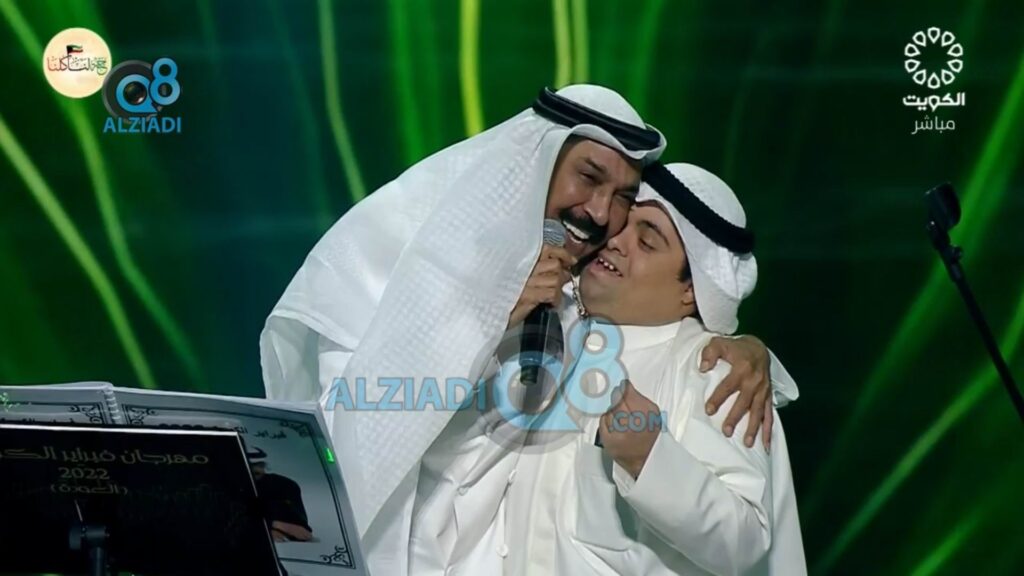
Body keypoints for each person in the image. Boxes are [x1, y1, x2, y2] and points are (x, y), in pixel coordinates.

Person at [259, 86, 794, 573]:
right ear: (538, 163)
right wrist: (486, 321)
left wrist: (662, 441)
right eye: (589, 178)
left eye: (625, 205)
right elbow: (357, 429)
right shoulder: (405, 264)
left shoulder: (684, 359)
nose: (604, 221)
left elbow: (745, 537)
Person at [492, 162, 805, 575]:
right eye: (623, 223)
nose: (616, 241)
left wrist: (651, 458)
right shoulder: (550, 323)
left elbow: (746, 539)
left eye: (647, 241)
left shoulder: (712, 370)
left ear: (691, 289)